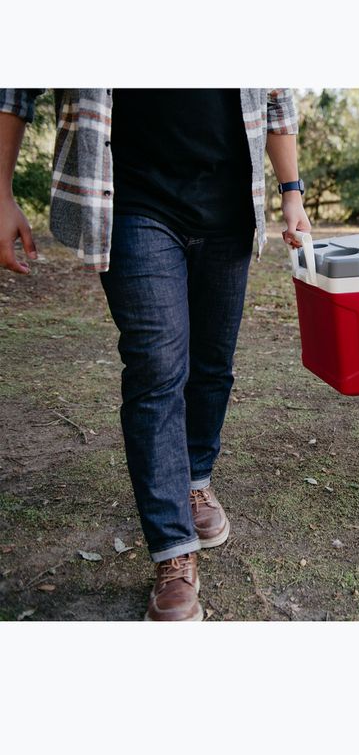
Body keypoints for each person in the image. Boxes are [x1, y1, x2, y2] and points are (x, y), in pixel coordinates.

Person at [0, 88, 312, 620]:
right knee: (156, 367)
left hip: (228, 204)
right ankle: (173, 551)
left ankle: (194, 481)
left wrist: (292, 192)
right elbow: (15, 90)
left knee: (212, 366)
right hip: (131, 201)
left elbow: (277, 98)